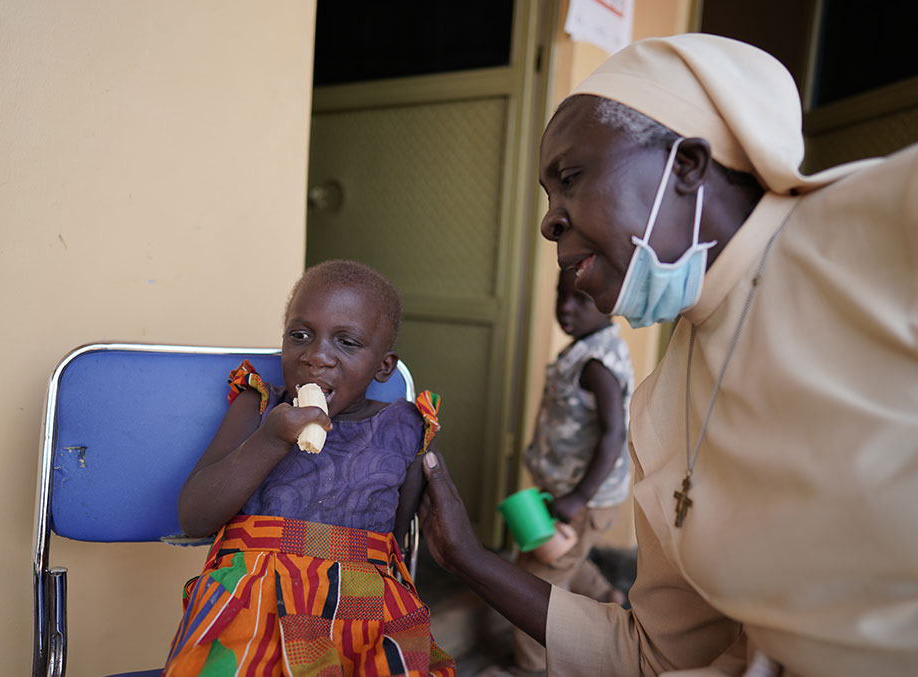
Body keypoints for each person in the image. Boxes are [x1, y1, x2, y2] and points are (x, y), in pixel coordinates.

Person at [418, 33, 918, 676]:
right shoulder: (657, 409)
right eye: (547, 197)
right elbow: (652, 656)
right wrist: (467, 558)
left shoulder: (880, 228)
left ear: (687, 166)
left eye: (569, 179)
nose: (549, 222)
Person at [163, 260, 455, 676]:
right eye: (300, 335)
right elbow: (195, 517)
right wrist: (270, 440)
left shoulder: (405, 429)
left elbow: (392, 545)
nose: (316, 357)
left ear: (383, 366)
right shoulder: (258, 406)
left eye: (347, 343)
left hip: (362, 616)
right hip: (250, 609)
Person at [496, 268, 633, 676]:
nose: (566, 307)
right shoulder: (586, 347)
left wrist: (576, 499)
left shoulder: (595, 364)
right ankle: (610, 595)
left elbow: (613, 435)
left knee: (536, 583)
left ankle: (533, 667)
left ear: (610, 303)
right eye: (561, 295)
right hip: (566, 491)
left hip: (583, 497)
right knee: (564, 558)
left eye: (582, 299)